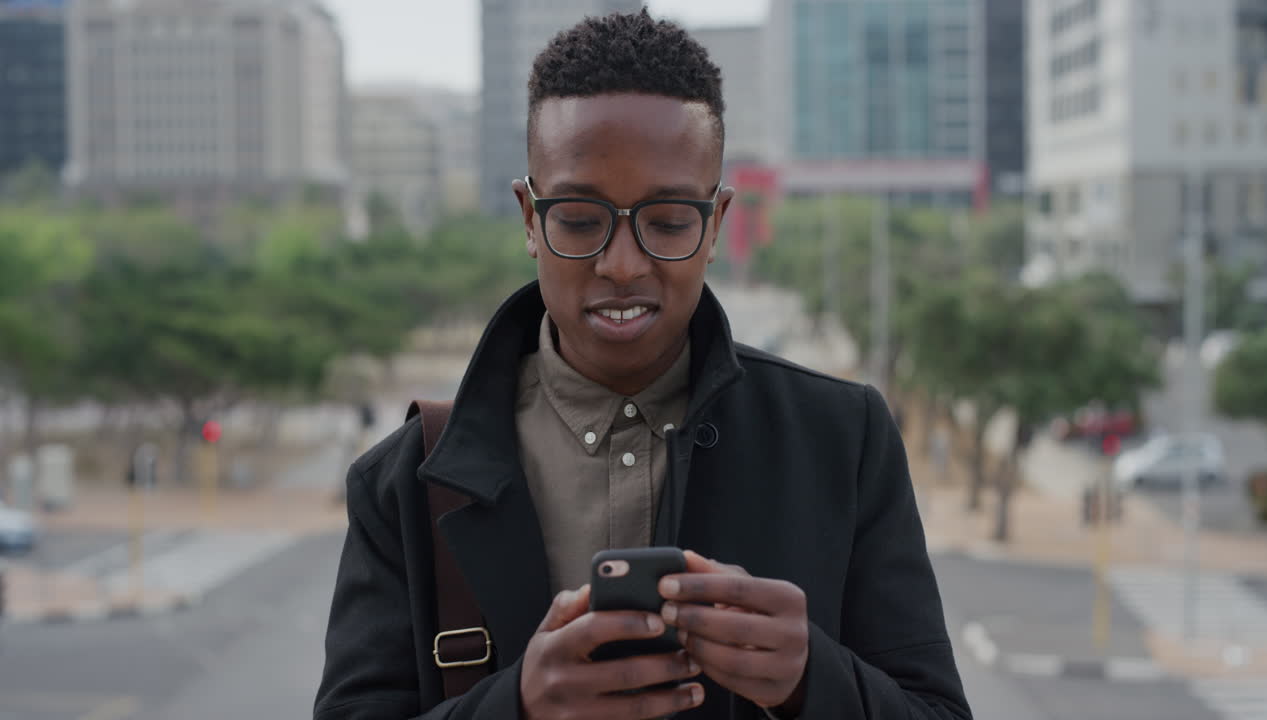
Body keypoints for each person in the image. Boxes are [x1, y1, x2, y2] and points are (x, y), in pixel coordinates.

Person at [314, 10, 970, 720]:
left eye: (668, 221)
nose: (622, 265)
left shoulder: (844, 440)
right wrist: (517, 706)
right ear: (529, 218)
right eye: (578, 218)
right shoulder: (404, 482)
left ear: (715, 224)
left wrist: (813, 677)